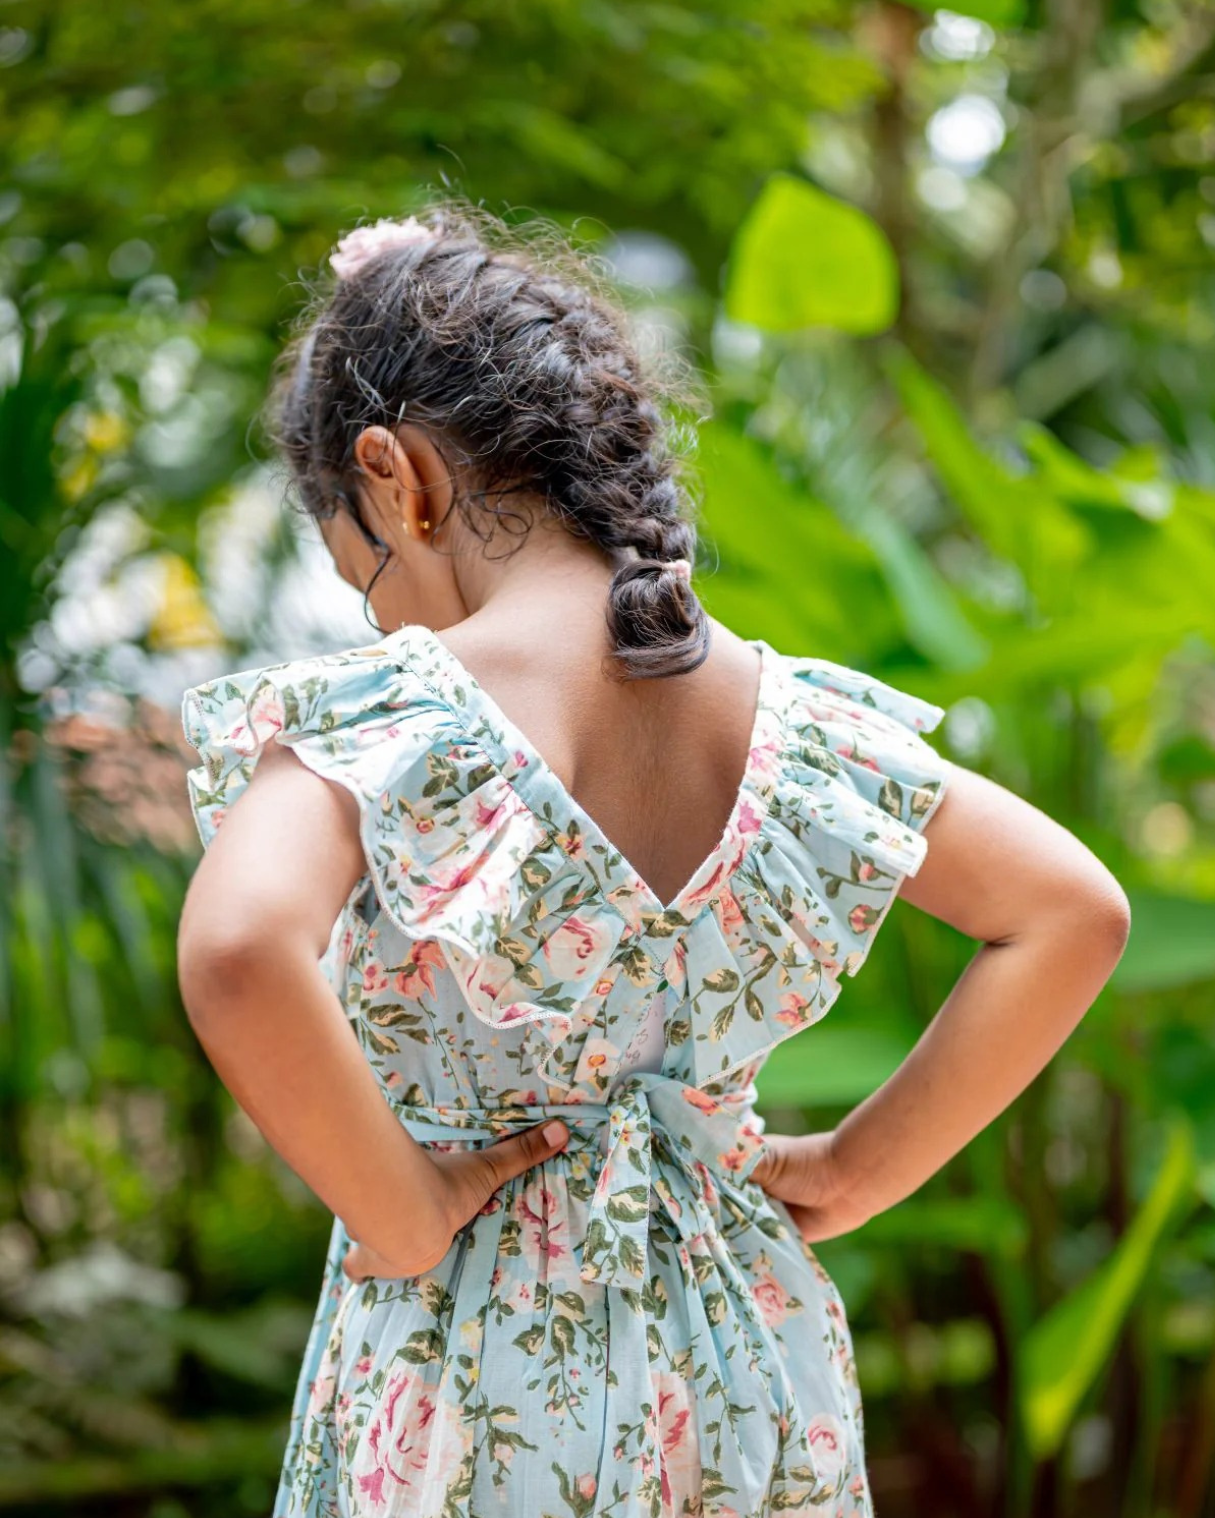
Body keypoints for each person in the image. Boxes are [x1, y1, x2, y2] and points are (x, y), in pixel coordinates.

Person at [176, 200, 1131, 1518]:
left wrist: (400, 1213)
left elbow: (236, 946)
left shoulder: (399, 713)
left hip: (478, 1376)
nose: (375, 609)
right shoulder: (793, 727)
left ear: (397, 478)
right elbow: (1069, 910)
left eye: (365, 571)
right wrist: (853, 1170)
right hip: (748, 1367)